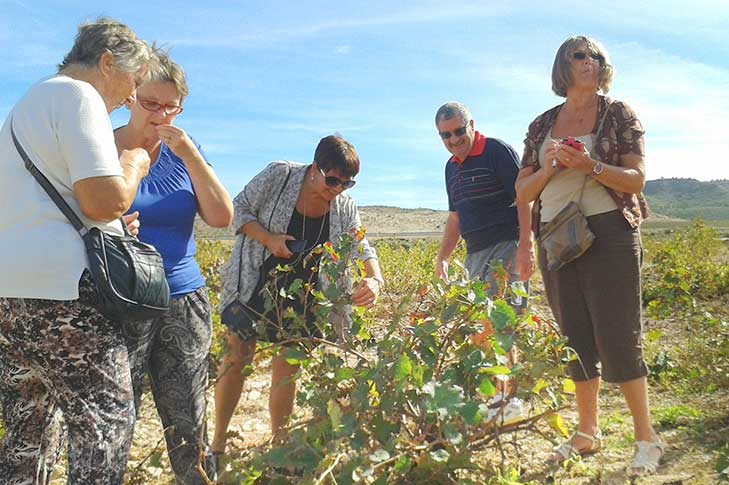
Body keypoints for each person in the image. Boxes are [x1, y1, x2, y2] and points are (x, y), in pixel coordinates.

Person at [0, 18, 152, 484]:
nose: (132, 97)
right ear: (108, 62)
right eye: (134, 80)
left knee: (27, 434)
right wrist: (133, 165)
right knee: (105, 423)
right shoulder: (78, 95)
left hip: (11, 295)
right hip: (63, 294)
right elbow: (103, 199)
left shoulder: (25, 107)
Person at [514, 35, 662, 475]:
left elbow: (635, 179)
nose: (589, 62)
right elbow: (522, 191)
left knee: (618, 334)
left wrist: (588, 166)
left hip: (609, 231)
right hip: (556, 236)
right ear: (563, 65)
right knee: (574, 338)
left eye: (596, 56)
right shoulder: (542, 124)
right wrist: (549, 168)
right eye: (580, 56)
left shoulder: (618, 113)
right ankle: (587, 432)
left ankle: (646, 438)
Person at [212, 135, 384, 459]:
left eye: (347, 184)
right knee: (236, 359)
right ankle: (218, 445)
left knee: (286, 373)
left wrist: (374, 278)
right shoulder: (280, 176)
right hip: (254, 284)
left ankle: (280, 449)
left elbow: (361, 243)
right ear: (314, 168)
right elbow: (238, 209)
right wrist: (268, 239)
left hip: (304, 295)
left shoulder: (344, 205)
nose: (337, 190)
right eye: (332, 180)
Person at [114, 51, 233, 483]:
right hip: (117, 304)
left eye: (172, 106)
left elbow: (221, 216)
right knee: (113, 423)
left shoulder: (187, 150)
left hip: (182, 299)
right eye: (151, 103)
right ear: (129, 97)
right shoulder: (101, 148)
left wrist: (189, 154)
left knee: (189, 425)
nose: (161, 114)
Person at [433, 102, 535, 424]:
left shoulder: (496, 152)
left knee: (500, 323)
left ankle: (510, 399)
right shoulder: (451, 168)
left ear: (471, 125)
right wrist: (442, 258)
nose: (453, 139)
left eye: (458, 131)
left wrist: (525, 246)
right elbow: (455, 218)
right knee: (480, 326)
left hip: (507, 245)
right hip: (474, 254)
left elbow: (523, 197)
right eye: (445, 135)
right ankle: (498, 397)